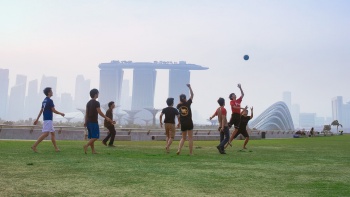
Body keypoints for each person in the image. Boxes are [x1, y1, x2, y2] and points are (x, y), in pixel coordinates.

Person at [31, 87, 65, 153]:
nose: (52, 92)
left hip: (47, 119)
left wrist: (37, 119)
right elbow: (53, 110)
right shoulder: (50, 101)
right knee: (46, 134)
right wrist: (61, 113)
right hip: (48, 119)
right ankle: (34, 146)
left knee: (53, 133)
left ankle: (56, 149)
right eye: (51, 91)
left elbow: (41, 110)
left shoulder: (44, 101)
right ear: (49, 93)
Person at [83, 89, 113, 154]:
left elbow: (86, 113)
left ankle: (93, 151)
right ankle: (86, 145)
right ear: (95, 94)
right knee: (95, 137)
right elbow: (99, 112)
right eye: (98, 93)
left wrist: (85, 122)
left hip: (88, 122)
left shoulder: (88, 103)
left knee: (92, 137)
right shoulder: (96, 103)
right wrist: (106, 117)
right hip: (94, 122)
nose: (98, 95)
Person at [176, 84, 194, 155]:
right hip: (189, 122)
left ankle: (179, 150)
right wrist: (190, 87)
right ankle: (190, 152)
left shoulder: (178, 106)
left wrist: (179, 123)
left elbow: (179, 116)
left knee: (183, 138)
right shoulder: (188, 103)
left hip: (183, 123)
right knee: (190, 138)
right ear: (185, 98)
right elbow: (192, 95)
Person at [226, 83, 245, 148]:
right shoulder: (232, 102)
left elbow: (242, 94)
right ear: (231, 97)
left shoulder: (238, 101)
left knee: (236, 130)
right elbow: (234, 107)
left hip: (238, 116)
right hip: (234, 116)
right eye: (233, 94)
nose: (235, 95)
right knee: (228, 127)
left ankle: (228, 143)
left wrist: (240, 88)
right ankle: (224, 138)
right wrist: (242, 108)